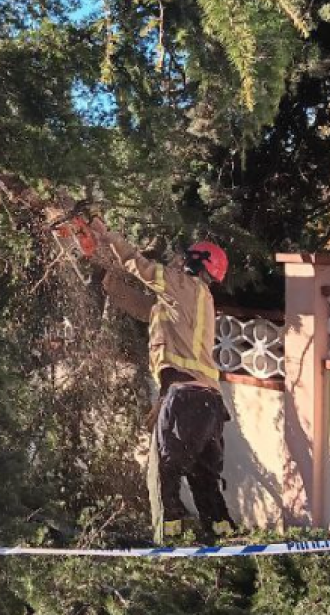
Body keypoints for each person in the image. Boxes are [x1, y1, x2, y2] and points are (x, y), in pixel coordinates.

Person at [62, 222, 236, 544]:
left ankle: (169, 535)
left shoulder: (180, 284)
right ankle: (222, 532)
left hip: (185, 398)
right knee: (204, 477)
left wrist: (104, 232)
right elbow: (145, 309)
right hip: (210, 404)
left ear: (193, 264)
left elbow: (137, 264)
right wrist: (107, 280)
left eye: (183, 260)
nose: (176, 262)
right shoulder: (196, 299)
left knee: (164, 471)